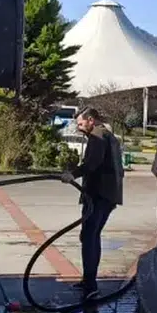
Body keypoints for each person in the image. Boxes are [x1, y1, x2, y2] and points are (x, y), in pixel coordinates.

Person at [61, 107, 124, 298]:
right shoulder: (106, 134)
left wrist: (72, 174)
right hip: (107, 194)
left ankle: (91, 285)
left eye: (80, 123)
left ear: (90, 120)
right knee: (90, 235)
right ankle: (88, 280)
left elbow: (92, 164)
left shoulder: (98, 136)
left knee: (89, 236)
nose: (79, 128)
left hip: (99, 194)